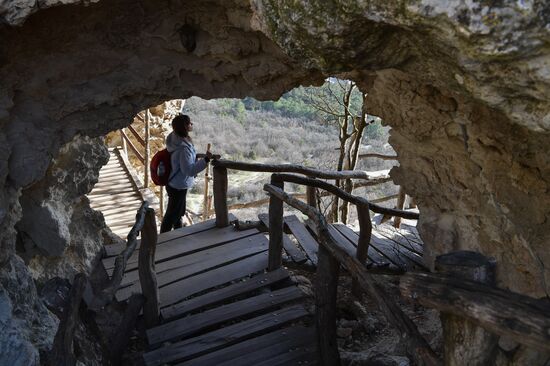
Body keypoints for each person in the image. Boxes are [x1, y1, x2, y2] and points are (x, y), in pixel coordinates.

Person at [160, 114, 212, 233]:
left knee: (177, 212)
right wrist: (206, 160)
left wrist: (195, 156)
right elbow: (188, 170)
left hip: (174, 182)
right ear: (184, 127)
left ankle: (178, 233)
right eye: (189, 123)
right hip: (178, 185)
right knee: (171, 215)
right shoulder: (183, 148)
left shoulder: (174, 138)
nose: (191, 124)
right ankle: (162, 239)